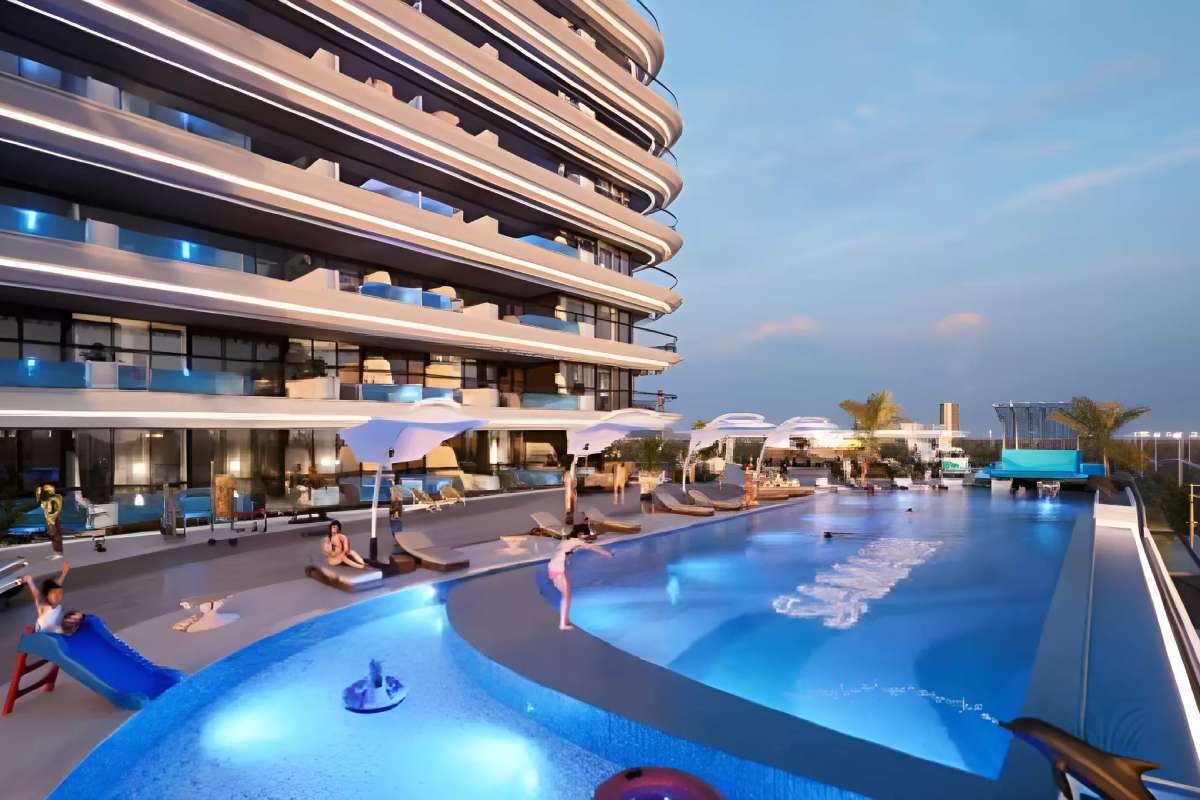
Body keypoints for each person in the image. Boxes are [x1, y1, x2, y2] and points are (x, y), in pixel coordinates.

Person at [547, 537, 613, 630]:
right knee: (566, 597)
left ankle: (565, 620)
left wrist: (567, 560)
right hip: (558, 572)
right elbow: (593, 547)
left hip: (554, 569)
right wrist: (607, 554)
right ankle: (563, 623)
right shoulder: (577, 542)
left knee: (566, 595)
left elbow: (565, 551)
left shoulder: (569, 542)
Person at [23, 562, 82, 634]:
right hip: (49, 630)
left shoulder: (46, 610)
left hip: (47, 630)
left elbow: (38, 596)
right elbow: (38, 596)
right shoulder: (47, 609)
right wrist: (30, 581)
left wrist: (30, 581)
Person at [40, 483, 64, 560]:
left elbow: (52, 511)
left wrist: (52, 523)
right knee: (54, 535)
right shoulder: (50, 499)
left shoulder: (53, 499)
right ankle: (57, 552)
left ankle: (58, 553)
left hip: (53, 519)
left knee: (55, 535)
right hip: (51, 519)